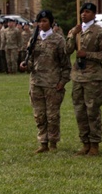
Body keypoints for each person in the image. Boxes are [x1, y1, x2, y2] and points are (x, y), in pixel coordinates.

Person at [66, 3, 102, 156]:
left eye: (87, 12)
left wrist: (88, 54)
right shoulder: (75, 30)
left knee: (92, 111)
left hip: (93, 77)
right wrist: (73, 36)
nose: (84, 14)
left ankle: (94, 144)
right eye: (82, 12)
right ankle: (84, 142)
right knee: (80, 111)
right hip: (78, 77)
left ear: (94, 14)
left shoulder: (100, 32)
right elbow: (67, 50)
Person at [21, 10, 70, 153]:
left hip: (52, 83)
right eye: (40, 21)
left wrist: (62, 81)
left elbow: (65, 65)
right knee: (39, 115)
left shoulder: (58, 40)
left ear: (51, 23)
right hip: (36, 82)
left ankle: (53, 142)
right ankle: (43, 142)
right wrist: (25, 66)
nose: (42, 24)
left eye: (45, 21)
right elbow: (30, 61)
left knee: (52, 115)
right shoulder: (33, 39)